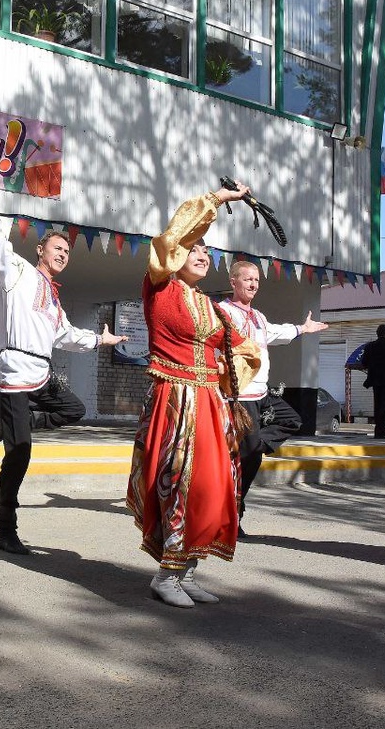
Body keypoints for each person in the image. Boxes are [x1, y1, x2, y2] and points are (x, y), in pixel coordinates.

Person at [0, 170, 127, 555]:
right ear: (40, 250)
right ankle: (5, 525)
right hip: (15, 372)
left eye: (67, 252)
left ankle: (11, 425)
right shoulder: (16, 271)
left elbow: (67, 335)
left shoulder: (54, 299)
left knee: (74, 409)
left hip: (42, 373)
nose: (62, 254)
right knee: (20, 453)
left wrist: (101, 340)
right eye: (57, 248)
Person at [127, 182, 260, 608]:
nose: (202, 254)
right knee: (180, 483)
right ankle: (166, 575)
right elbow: (171, 239)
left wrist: (225, 373)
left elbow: (246, 349)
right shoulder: (159, 287)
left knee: (213, 486)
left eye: (207, 251)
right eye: (194, 248)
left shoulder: (211, 307)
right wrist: (217, 200)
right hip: (175, 401)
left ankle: (187, 570)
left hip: (208, 404)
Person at [218, 261, 326, 533]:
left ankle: (253, 450)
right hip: (240, 396)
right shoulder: (222, 312)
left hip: (262, 393)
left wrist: (302, 329)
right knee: (246, 460)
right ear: (233, 282)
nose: (253, 284)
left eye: (256, 280)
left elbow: (276, 332)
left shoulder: (258, 316)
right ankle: (231, 515)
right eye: (248, 279)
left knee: (291, 420)